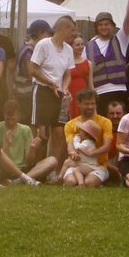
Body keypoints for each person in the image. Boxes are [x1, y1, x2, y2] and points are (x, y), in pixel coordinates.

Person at [29, 15, 76, 160]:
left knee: (59, 132)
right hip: (43, 91)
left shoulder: (68, 49)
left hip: (59, 93)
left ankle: (53, 169)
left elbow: (68, 73)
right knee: (42, 134)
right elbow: (33, 70)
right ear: (63, 28)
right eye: (72, 31)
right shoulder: (44, 44)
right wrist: (51, 83)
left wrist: (65, 88)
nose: (73, 35)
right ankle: (38, 168)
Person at [87, 0, 129, 110]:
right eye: (100, 25)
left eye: (107, 24)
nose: (104, 27)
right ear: (96, 27)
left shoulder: (120, 39)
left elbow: (128, 18)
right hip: (98, 92)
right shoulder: (88, 46)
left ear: (112, 26)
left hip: (119, 90)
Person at [60, 89, 113, 186]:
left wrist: (90, 153)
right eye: (86, 104)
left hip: (98, 165)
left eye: (93, 104)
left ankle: (93, 181)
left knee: (90, 182)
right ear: (79, 104)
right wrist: (72, 153)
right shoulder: (70, 124)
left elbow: (107, 147)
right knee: (70, 182)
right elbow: (70, 144)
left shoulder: (105, 122)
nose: (90, 107)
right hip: (77, 164)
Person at [0, 99, 41, 187]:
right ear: (3, 115)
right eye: (8, 119)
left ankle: (20, 179)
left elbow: (29, 161)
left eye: (13, 119)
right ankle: (26, 178)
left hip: (23, 168)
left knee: (52, 161)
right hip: (5, 169)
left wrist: (32, 149)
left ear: (19, 116)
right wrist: (7, 144)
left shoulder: (25, 130)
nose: (10, 122)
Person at [62, 118, 108, 188]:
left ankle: (81, 184)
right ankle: (62, 179)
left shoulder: (88, 143)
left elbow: (78, 147)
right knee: (70, 179)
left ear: (86, 134)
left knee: (78, 171)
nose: (79, 132)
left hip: (90, 166)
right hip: (82, 165)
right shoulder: (84, 141)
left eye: (81, 131)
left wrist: (76, 139)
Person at [65, 34, 93, 121]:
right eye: (77, 45)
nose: (80, 47)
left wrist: (93, 100)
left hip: (83, 97)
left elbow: (90, 84)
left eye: (82, 44)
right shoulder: (66, 62)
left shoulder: (88, 63)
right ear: (71, 46)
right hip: (70, 95)